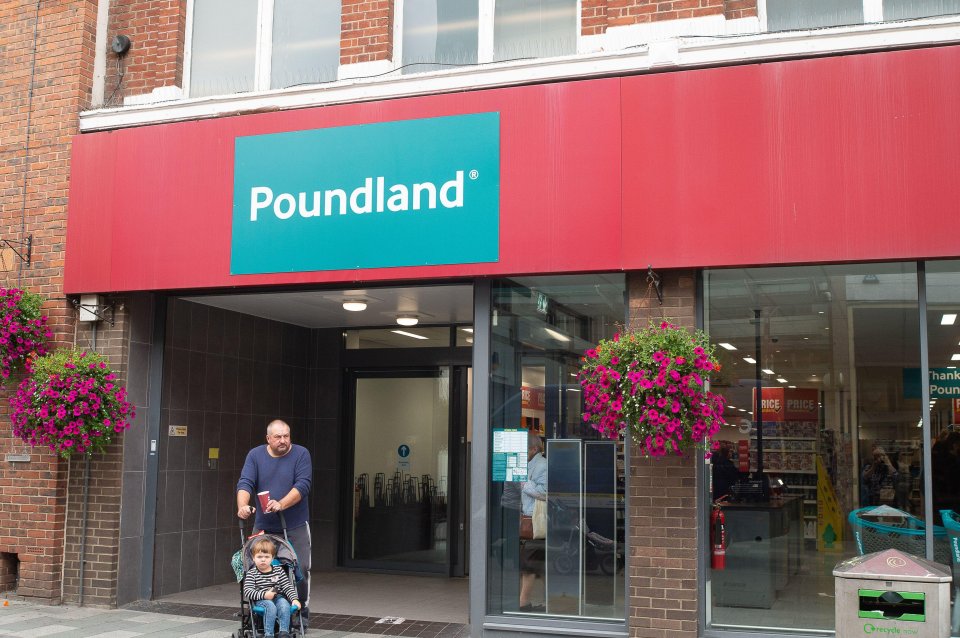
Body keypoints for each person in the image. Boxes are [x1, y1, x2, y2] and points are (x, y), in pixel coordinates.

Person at [238, 420, 313, 620]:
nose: (283, 441)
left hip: (295, 525)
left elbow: (303, 485)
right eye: (278, 437)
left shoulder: (301, 454)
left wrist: (282, 503)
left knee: (300, 568)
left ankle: (300, 612)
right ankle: (263, 610)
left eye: (286, 436)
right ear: (268, 438)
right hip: (265, 526)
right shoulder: (255, 455)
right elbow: (245, 482)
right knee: (258, 567)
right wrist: (243, 506)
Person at [243, 537, 301, 638]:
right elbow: (248, 591)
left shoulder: (278, 570)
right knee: (270, 606)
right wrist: (265, 595)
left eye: (266, 556)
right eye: (259, 557)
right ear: (253, 558)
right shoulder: (252, 573)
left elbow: (287, 586)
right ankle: (268, 634)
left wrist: (294, 599)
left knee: (284, 604)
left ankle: (284, 632)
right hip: (261, 600)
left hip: (278, 597)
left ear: (272, 558)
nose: (263, 560)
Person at [519, 430, 547, 612]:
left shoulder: (542, 465)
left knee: (529, 565)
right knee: (538, 565)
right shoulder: (529, 463)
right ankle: (548, 602)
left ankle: (523, 603)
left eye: (525, 449)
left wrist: (524, 482)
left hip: (535, 521)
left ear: (534, 449)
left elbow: (544, 492)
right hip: (528, 519)